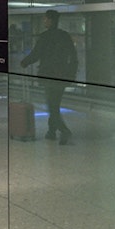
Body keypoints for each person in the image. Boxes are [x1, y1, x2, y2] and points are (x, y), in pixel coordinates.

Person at [20, 9, 78, 144]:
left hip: (49, 75)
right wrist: (72, 73)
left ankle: (64, 131)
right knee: (55, 104)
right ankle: (51, 131)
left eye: (45, 19)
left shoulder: (45, 37)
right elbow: (73, 56)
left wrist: (24, 62)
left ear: (51, 20)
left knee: (52, 106)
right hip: (63, 76)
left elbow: (36, 54)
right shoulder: (65, 36)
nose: (44, 21)